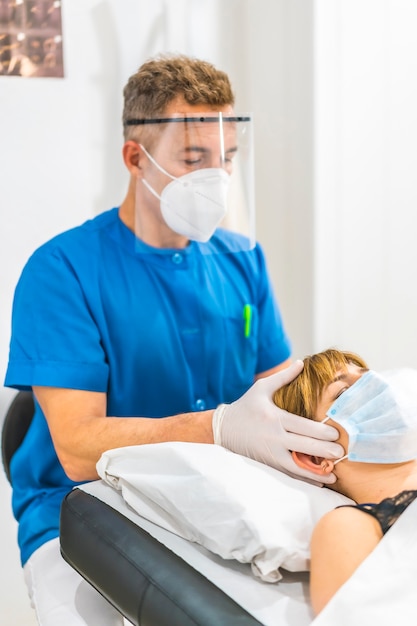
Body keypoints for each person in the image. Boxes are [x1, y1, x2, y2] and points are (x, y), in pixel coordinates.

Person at [4, 54, 342, 625]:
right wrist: (219, 428)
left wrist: (341, 399)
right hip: (82, 510)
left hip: (215, 497)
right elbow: (78, 447)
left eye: (227, 159)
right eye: (194, 159)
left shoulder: (242, 261)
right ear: (137, 158)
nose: (218, 178)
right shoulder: (62, 270)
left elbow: (281, 390)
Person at [273, 348, 417, 615]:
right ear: (315, 457)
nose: (378, 386)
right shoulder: (349, 526)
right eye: (342, 392)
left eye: (367, 376)